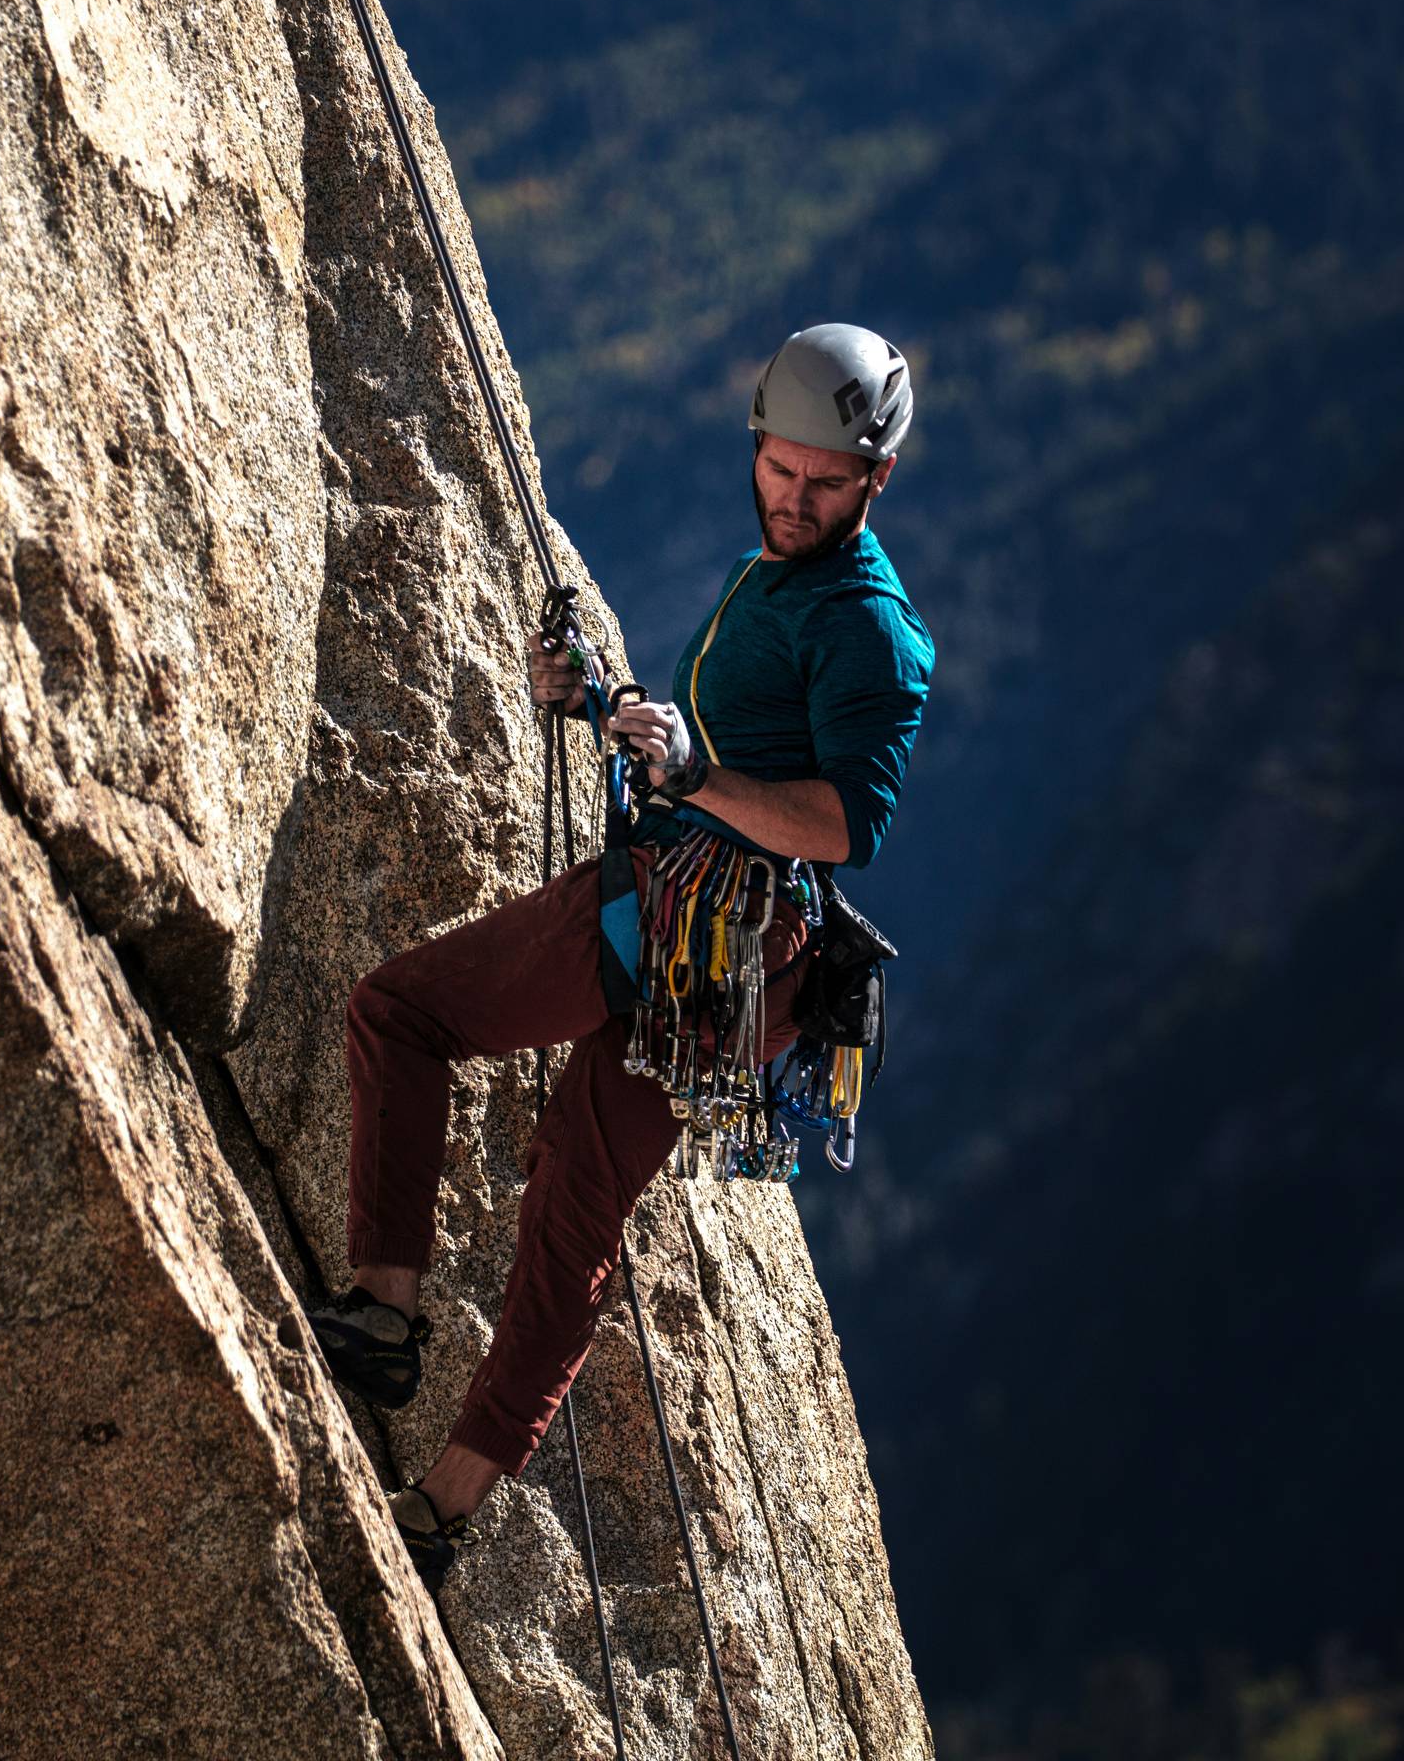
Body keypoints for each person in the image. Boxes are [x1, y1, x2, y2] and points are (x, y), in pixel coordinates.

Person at [307, 323, 937, 1593]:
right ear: (759, 446)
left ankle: (394, 1351)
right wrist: (600, 704)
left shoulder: (872, 632)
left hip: (689, 923)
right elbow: (725, 754)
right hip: (729, 959)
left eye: (825, 483)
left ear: (875, 483)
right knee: (567, 1199)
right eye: (782, 469)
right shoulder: (775, 577)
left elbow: (839, 825)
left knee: (411, 1021)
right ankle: (426, 1460)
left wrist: (695, 779)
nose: (795, 499)